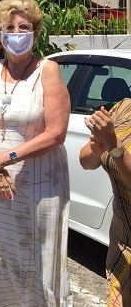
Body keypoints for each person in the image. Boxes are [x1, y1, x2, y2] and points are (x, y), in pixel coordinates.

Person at [0, 0, 72, 306]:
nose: (17, 33)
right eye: (9, 27)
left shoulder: (47, 71)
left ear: (36, 33)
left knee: (39, 262)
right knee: (2, 256)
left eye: (24, 27)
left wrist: (5, 158)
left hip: (39, 185)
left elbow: (56, 133)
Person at [80, 99, 131, 306]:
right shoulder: (123, 109)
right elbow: (85, 162)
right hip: (122, 235)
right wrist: (97, 147)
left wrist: (113, 144)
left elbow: (114, 147)